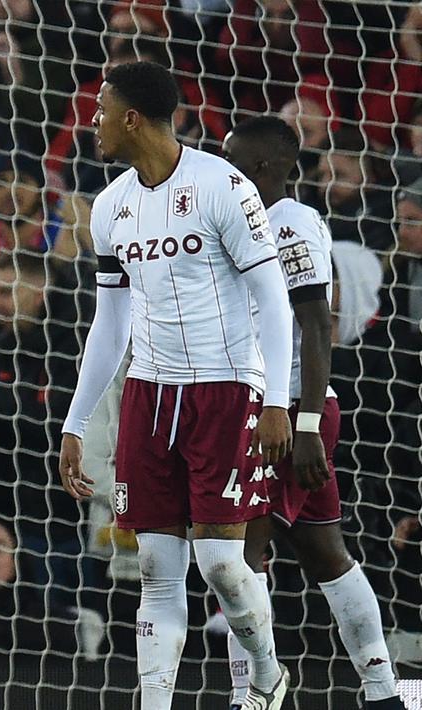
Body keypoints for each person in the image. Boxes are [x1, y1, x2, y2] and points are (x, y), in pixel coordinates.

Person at [56, 61, 294, 710]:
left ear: (132, 118)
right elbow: (109, 324)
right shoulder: (110, 207)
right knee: (156, 571)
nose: (93, 122)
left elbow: (273, 299)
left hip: (226, 389)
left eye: (102, 111)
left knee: (220, 565)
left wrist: (275, 401)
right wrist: (75, 423)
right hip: (149, 394)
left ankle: (267, 672)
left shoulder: (222, 186)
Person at [223, 117, 405, 710]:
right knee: (325, 553)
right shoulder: (241, 225)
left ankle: (252, 693)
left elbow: (317, 325)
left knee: (238, 554)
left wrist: (304, 426)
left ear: (263, 168)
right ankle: (383, 691)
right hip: (266, 410)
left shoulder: (292, 223)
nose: (224, 173)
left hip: (288, 413)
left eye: (233, 163)